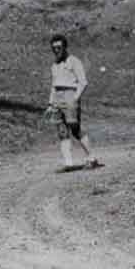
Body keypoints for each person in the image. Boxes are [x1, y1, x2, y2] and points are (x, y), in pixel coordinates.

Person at [46, 34, 100, 171]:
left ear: (65, 47)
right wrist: (50, 104)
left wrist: (74, 98)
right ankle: (68, 163)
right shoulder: (54, 65)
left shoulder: (74, 61)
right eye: (54, 48)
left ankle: (92, 158)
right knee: (62, 131)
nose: (56, 50)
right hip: (57, 98)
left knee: (75, 129)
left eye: (59, 47)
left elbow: (83, 82)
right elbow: (53, 85)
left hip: (70, 95)